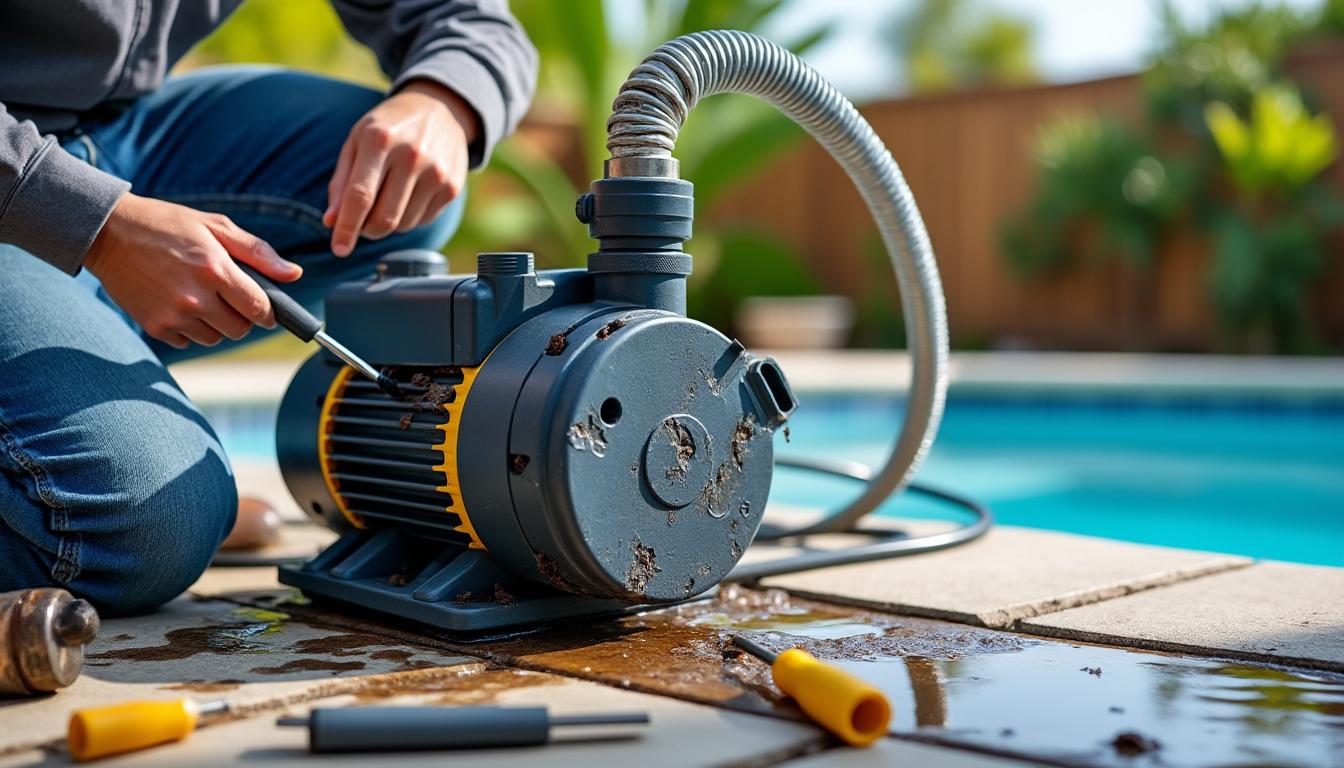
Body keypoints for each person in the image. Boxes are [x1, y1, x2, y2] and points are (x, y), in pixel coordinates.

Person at [0, 1, 537, 615]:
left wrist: (445, 98)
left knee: (394, 189)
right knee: (139, 529)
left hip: (109, 135)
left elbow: (464, 15)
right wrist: (99, 225)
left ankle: (62, 411)